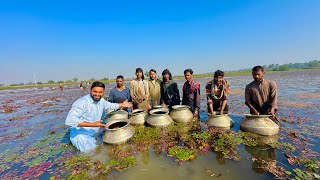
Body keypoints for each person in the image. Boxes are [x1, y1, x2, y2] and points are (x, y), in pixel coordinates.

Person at [65, 81, 132, 152]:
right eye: (95, 91)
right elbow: (69, 121)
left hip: (95, 132)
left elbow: (110, 105)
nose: (97, 94)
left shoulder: (101, 101)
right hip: (81, 135)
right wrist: (92, 124)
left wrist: (122, 104)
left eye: (100, 92)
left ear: (103, 92)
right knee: (92, 153)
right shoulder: (82, 102)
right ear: (90, 90)